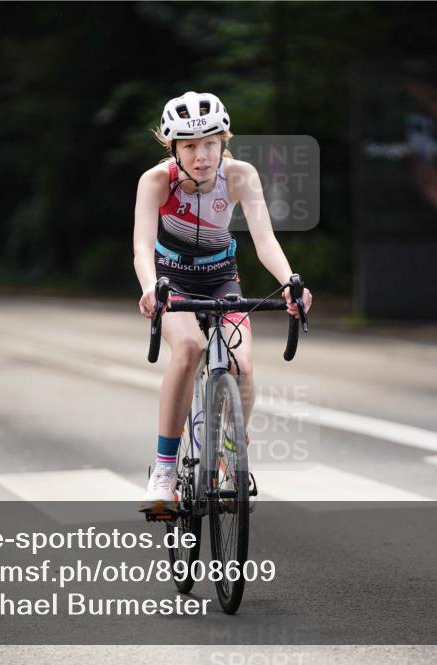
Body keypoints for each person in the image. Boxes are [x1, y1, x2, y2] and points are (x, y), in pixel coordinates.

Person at [133, 91, 313, 512]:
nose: (201, 155)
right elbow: (141, 245)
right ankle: (163, 470)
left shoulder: (241, 176)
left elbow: (264, 238)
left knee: (243, 363)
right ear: (173, 148)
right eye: (190, 146)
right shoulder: (155, 181)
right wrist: (148, 286)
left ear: (224, 141)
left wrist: (289, 282)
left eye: (210, 143)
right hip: (170, 279)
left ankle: (231, 452)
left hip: (221, 278)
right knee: (190, 349)